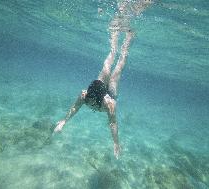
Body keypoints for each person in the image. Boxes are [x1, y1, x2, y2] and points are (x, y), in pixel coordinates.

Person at [54, 0, 153, 159]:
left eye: (91, 101)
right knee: (108, 63)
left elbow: (113, 123)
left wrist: (116, 143)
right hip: (99, 89)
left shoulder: (109, 103)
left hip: (109, 95)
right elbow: (74, 108)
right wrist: (64, 121)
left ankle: (127, 41)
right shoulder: (84, 95)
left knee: (117, 70)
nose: (89, 101)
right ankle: (114, 41)